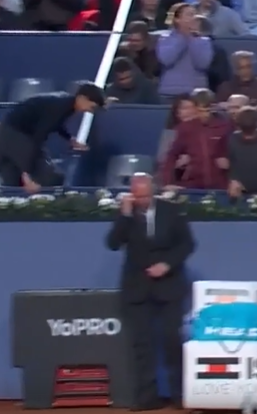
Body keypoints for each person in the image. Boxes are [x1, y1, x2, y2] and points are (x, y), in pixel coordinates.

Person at [106, 173, 195, 410]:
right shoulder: (127, 213)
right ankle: (146, 398)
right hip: (138, 288)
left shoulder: (171, 210)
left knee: (171, 339)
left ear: (153, 192)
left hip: (169, 285)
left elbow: (187, 244)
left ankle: (180, 395)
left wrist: (167, 264)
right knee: (142, 345)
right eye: (137, 196)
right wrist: (125, 215)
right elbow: (113, 243)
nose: (141, 201)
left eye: (145, 196)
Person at [0, 82, 103, 192]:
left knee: (50, 175)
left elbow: (56, 124)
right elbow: (39, 136)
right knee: (45, 175)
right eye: (91, 107)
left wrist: (70, 139)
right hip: (14, 133)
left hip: (18, 132)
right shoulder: (60, 106)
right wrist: (28, 174)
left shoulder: (66, 104)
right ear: (82, 98)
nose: (90, 111)